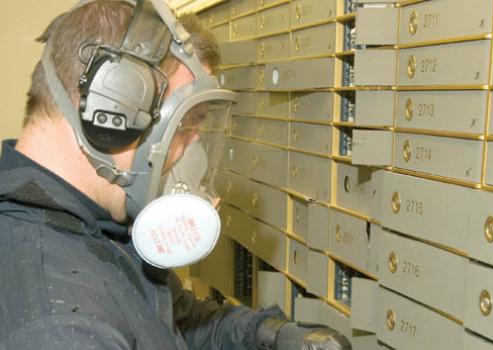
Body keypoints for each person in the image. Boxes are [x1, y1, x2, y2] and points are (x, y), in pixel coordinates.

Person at [0, 0, 352, 349]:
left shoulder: (94, 224)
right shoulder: (59, 327)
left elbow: (171, 321)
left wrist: (269, 335)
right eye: (184, 125)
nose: (190, 153)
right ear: (111, 111)